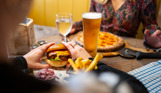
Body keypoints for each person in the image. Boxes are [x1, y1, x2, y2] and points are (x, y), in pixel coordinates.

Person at [0, 0, 148, 93]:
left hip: (119, 43)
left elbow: (151, 25)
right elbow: (137, 88)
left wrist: (22, 61)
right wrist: (92, 63)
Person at [70, 0, 161, 48]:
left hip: (126, 48)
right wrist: (74, 26)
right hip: (97, 45)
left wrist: (153, 35)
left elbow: (150, 25)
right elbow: (91, 18)